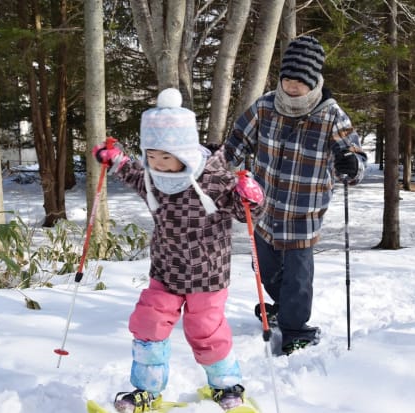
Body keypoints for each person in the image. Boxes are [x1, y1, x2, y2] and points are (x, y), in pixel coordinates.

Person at [92, 88, 265, 413]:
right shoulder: (154, 180)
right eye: (152, 156)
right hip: (166, 273)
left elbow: (246, 214)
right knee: (148, 324)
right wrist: (115, 160)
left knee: (206, 332)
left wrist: (251, 197)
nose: (158, 163)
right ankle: (145, 390)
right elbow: (132, 173)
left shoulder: (213, 180)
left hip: (207, 276)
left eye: (165, 157)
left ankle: (227, 385)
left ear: (184, 152)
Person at [223, 35, 367, 355]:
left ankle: (294, 328)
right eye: (286, 79)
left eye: (298, 82)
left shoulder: (330, 116)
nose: (290, 87)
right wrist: (212, 163)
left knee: (298, 281)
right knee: (264, 269)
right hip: (264, 212)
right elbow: (235, 145)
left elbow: (357, 160)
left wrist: (350, 165)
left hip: (304, 215)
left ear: (313, 81)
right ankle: (282, 308)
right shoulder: (264, 107)